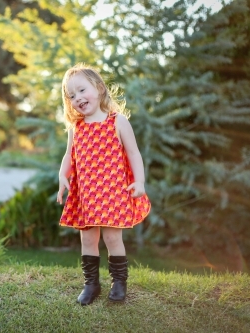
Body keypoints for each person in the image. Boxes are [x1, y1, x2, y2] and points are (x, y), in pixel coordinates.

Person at [56, 63, 151, 306]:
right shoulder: (75, 128)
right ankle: (91, 284)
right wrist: (62, 177)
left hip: (112, 193)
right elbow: (69, 156)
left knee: (112, 238)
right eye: (71, 95)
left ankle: (119, 283)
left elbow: (134, 153)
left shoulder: (118, 122)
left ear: (98, 88)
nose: (77, 98)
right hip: (86, 193)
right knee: (87, 239)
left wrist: (139, 181)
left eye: (81, 90)